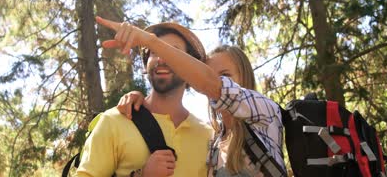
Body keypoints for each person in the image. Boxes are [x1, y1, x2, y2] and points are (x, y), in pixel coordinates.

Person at [110, 21, 285, 176]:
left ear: (244, 76)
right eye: (211, 75)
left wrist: (150, 41)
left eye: (225, 76)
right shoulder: (212, 139)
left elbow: (212, 85)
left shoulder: (265, 113)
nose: (215, 83)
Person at [75, 16, 213, 177]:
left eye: (173, 51)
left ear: (189, 65)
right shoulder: (114, 121)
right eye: (154, 52)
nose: (161, 58)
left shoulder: (207, 135)